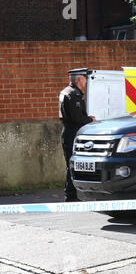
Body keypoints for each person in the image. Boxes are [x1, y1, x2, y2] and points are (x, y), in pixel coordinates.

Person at [59, 68, 96, 202]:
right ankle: (71, 196)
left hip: (69, 132)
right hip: (72, 133)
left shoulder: (68, 92)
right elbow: (76, 118)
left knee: (71, 165)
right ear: (80, 79)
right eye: (85, 78)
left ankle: (72, 195)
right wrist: (90, 120)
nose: (87, 81)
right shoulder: (73, 94)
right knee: (72, 165)